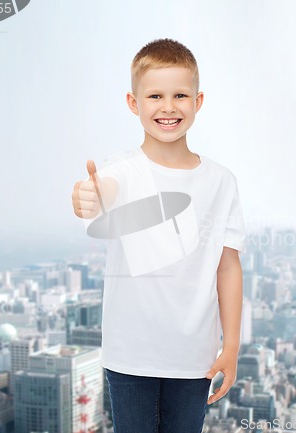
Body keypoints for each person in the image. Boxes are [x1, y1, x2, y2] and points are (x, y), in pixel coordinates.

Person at [71, 38, 245, 433]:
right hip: (130, 354)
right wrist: (90, 196)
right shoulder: (124, 169)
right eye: (155, 96)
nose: (168, 107)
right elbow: (103, 191)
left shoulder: (221, 182)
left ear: (198, 101)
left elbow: (228, 266)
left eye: (180, 95)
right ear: (134, 104)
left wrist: (231, 346)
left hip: (195, 356)